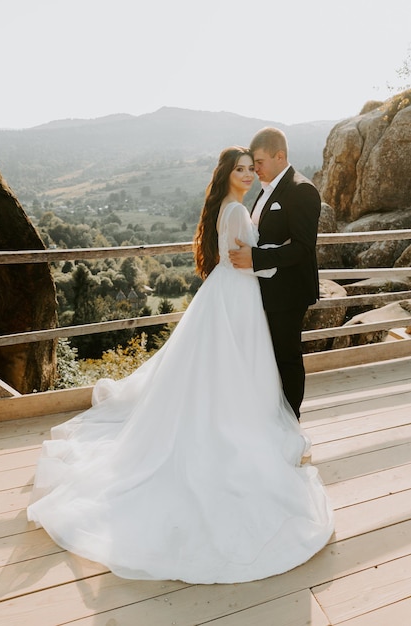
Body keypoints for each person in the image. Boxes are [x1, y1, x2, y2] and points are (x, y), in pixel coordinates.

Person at [27, 147, 333, 585]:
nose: (248, 175)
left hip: (233, 293)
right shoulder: (234, 211)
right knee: (233, 364)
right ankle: (232, 424)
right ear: (228, 173)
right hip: (238, 294)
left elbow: (246, 255)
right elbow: (246, 259)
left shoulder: (230, 207)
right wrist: (266, 259)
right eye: (241, 169)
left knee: (227, 366)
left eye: (252, 168)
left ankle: (231, 415)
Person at [230, 128, 321, 420]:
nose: (255, 169)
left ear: (279, 156)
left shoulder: (302, 190)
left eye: (259, 162)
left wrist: (255, 258)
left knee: (287, 358)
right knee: (267, 358)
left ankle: (292, 422)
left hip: (288, 293)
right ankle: (271, 418)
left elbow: (304, 247)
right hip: (265, 291)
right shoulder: (266, 189)